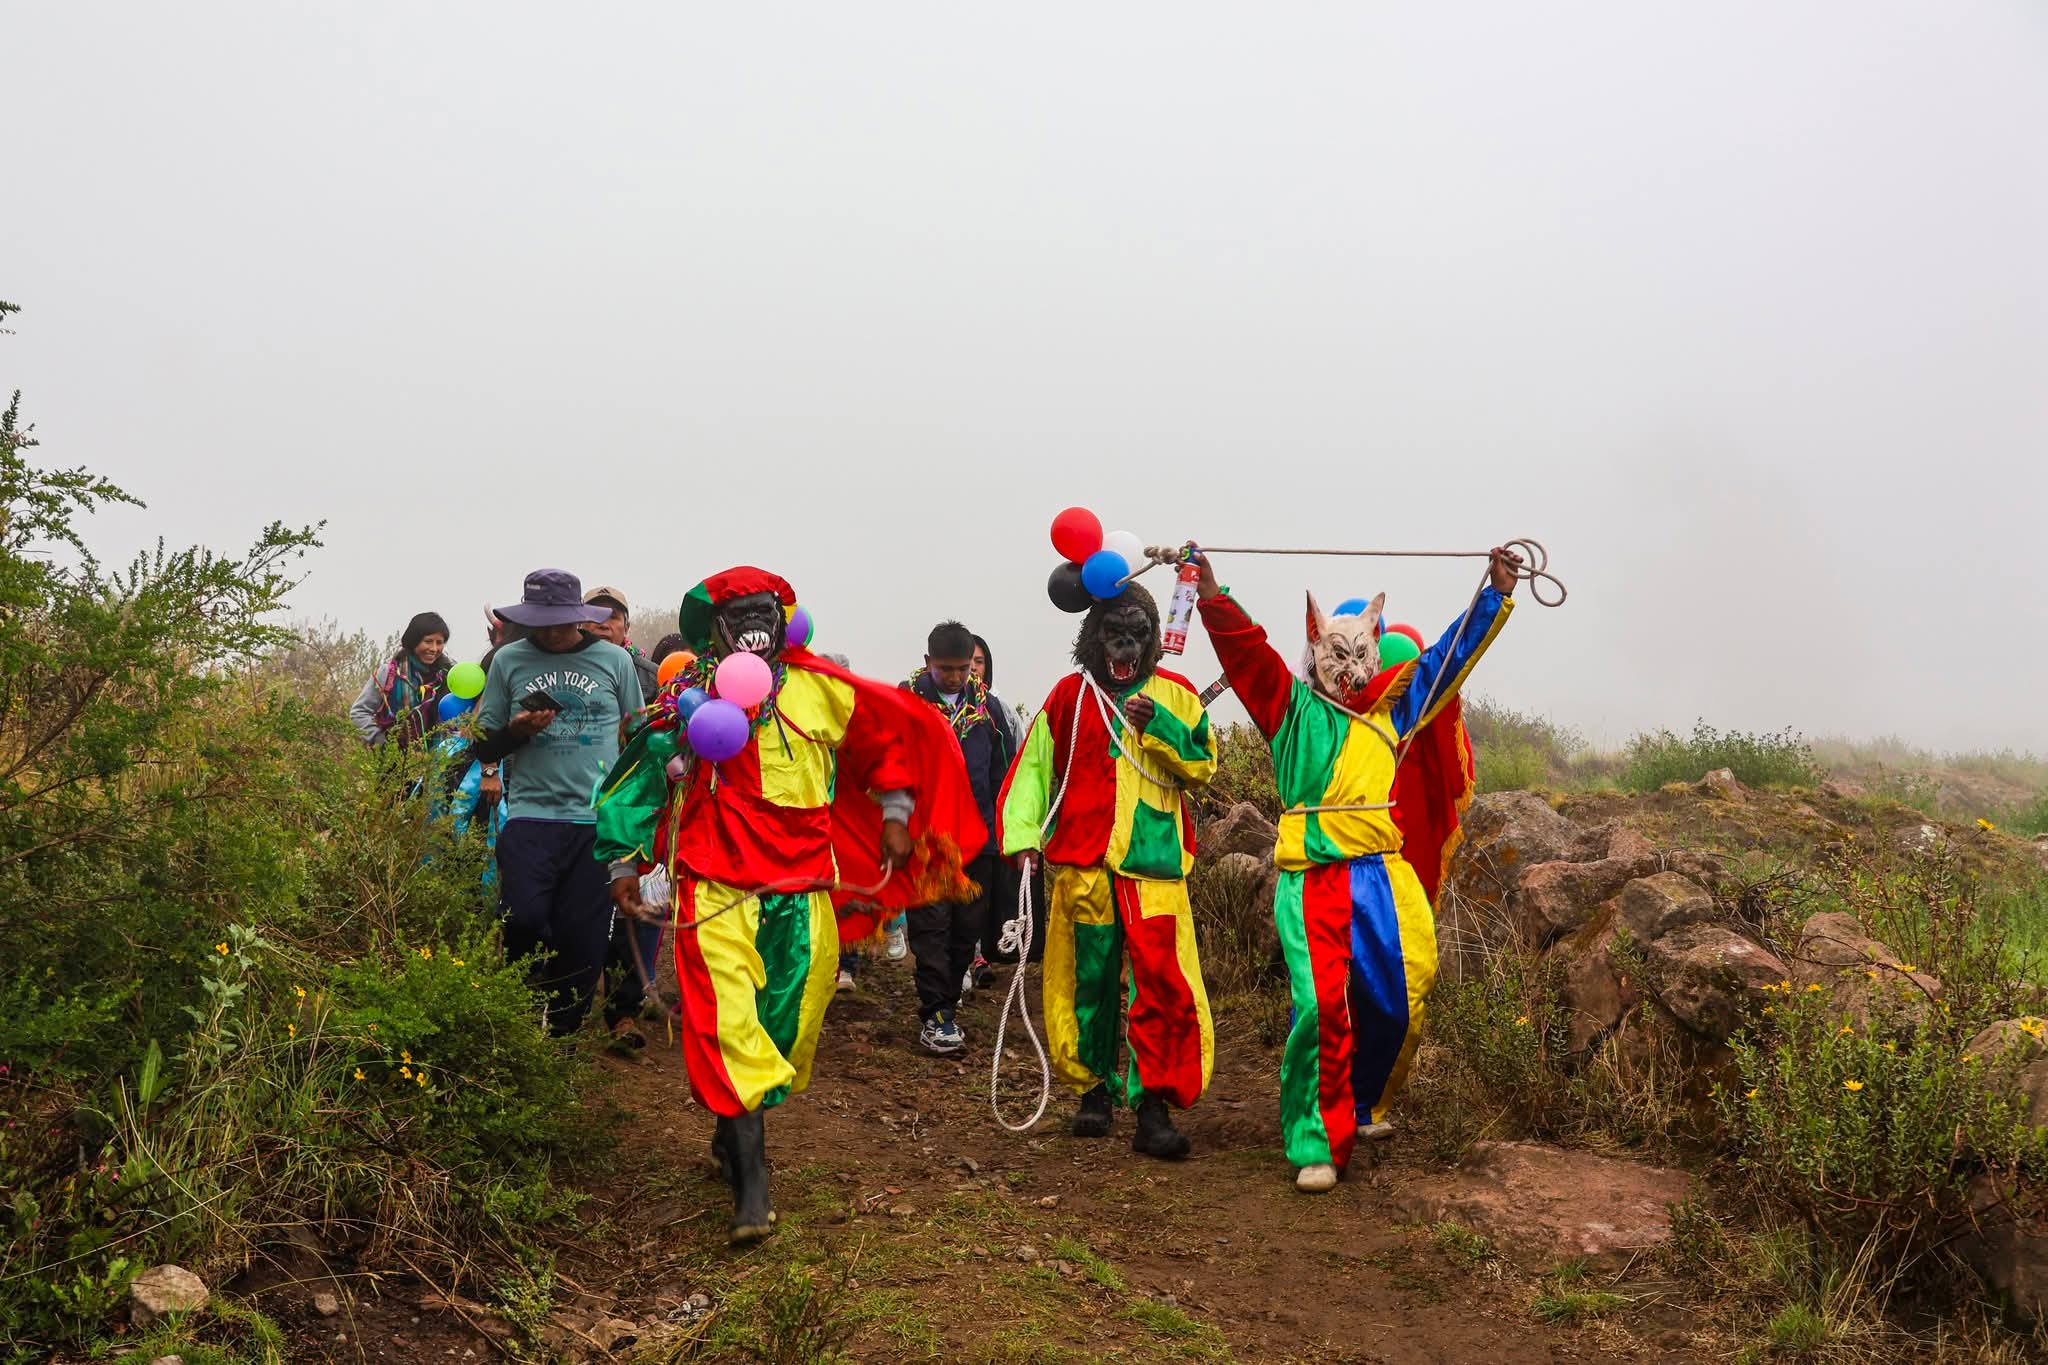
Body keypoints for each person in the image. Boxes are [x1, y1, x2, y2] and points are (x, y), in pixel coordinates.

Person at [594, 566, 987, 1242]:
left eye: (765, 610)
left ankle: (731, 1126)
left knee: (788, 1025)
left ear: (784, 618)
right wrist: (625, 861)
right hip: (715, 883)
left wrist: (896, 811)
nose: (755, 623)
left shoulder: (820, 690)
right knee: (726, 1019)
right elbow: (637, 776)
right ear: (717, 626)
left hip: (805, 885)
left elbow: (881, 745)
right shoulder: (689, 698)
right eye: (740, 611)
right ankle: (753, 1186)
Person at [1191, 545, 1521, 1192]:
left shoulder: (1395, 711)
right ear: (1314, 648)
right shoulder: (1288, 710)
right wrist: (1209, 591)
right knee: (1320, 1006)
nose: (1349, 664)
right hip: (1312, 875)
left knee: (1398, 999)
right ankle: (1317, 1137)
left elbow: (1446, 659)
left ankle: (1364, 1102)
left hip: (1381, 874)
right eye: (1335, 652)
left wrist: (1495, 592)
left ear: (1375, 646)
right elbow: (1247, 652)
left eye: (1360, 651)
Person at [997, 582, 1217, 1160]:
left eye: (1137, 634)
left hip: (1153, 866)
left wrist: (1160, 728)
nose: (1124, 646)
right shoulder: (1069, 696)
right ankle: (1092, 1092)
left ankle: (1154, 1107)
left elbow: (1202, 766)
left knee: (1162, 985)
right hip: (1082, 864)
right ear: (1092, 637)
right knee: (1083, 982)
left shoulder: (1177, 694)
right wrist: (1024, 840)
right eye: (1113, 633)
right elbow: (1032, 771)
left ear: (1151, 641)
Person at [470, 570, 642, 1041]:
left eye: (560, 622)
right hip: (531, 817)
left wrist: (631, 823)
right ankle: (523, 1006)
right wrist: (515, 732)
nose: (550, 632)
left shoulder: (615, 662)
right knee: (523, 916)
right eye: (540, 622)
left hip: (595, 822)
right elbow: (484, 745)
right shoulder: (509, 661)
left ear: (580, 619)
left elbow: (637, 740)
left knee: (584, 940)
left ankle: (561, 1036)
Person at [902, 622, 1013, 1053]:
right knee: (931, 928)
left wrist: (1005, 831)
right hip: (925, 839)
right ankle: (935, 1014)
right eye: (945, 669)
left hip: (977, 838)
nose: (954, 677)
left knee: (966, 931)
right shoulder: (907, 703)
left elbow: (1003, 774)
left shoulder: (990, 711)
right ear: (928, 661)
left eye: (962, 669)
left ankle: (947, 1004)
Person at [350, 612, 454, 750]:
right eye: (428, 641)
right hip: (395, 763)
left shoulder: (448, 676)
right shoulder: (389, 674)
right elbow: (359, 712)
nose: (434, 649)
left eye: (439, 643)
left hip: (439, 762)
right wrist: (384, 744)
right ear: (414, 640)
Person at [583, 585, 662, 702]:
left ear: (626, 628)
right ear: (579, 623)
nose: (603, 625)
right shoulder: (563, 667)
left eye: (612, 617)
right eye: (595, 615)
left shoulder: (652, 676)